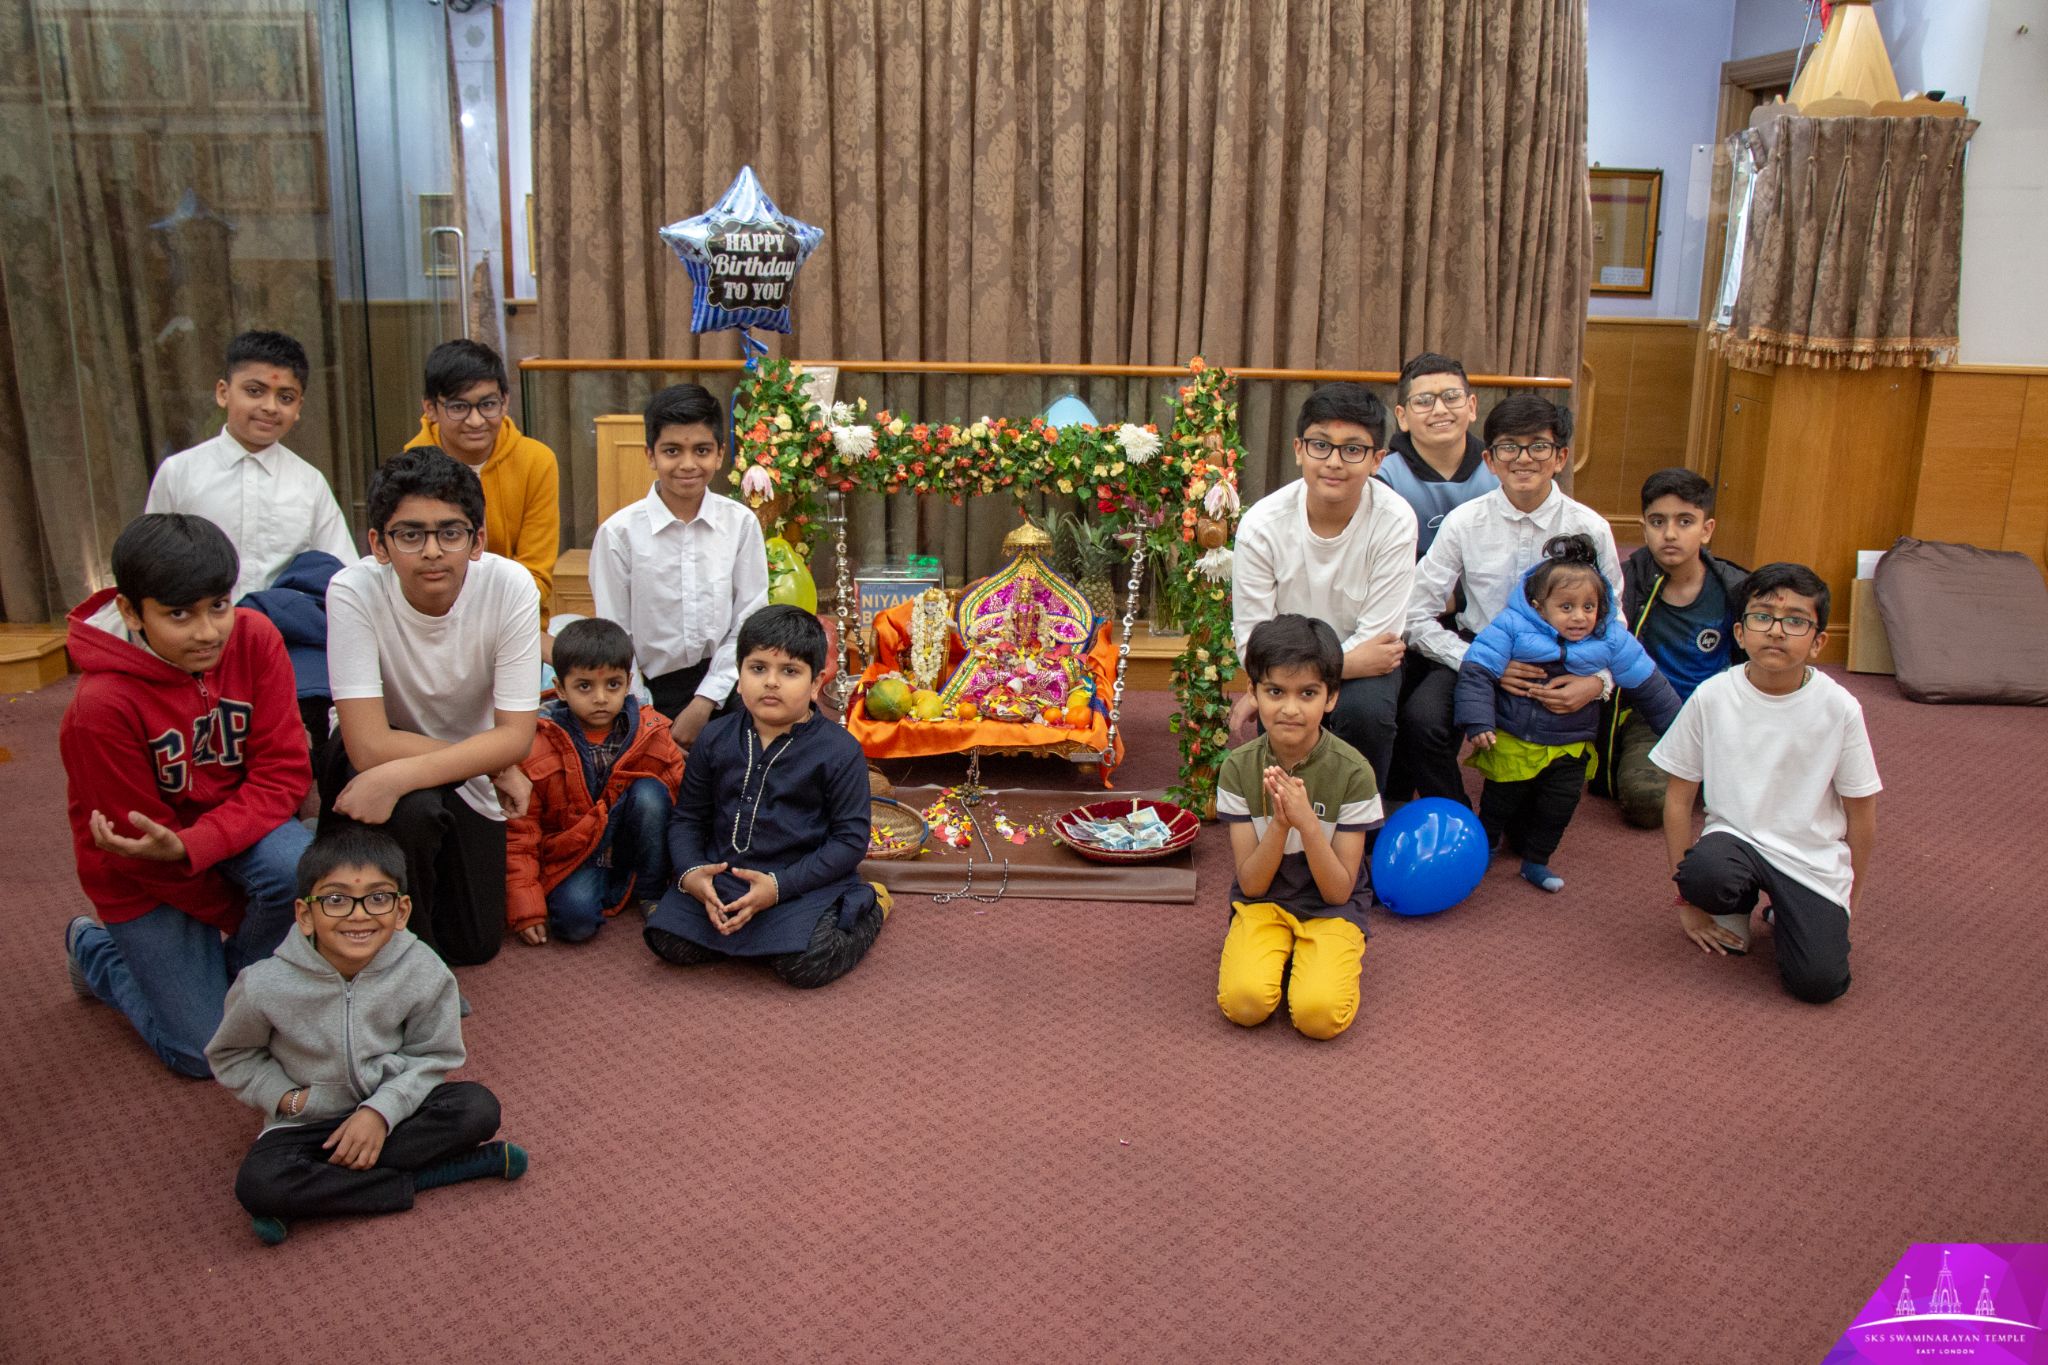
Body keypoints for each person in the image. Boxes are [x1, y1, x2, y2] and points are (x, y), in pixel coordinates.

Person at [60, 514, 313, 1078]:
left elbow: (283, 772)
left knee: (297, 866)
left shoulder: (255, 636)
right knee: (202, 1055)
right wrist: (243, 913)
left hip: (228, 832)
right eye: (179, 614)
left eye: (217, 605)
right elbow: (136, 852)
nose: (207, 632)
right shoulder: (99, 708)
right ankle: (97, 951)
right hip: (142, 873)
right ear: (131, 613)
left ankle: (234, 979)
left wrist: (201, 848)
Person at [206, 827, 527, 1246]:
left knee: (477, 1108)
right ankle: (436, 1174)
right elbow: (233, 1055)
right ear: (305, 914)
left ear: (401, 911)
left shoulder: (424, 970)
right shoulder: (263, 984)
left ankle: (318, 1197)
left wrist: (379, 1112)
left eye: (378, 898)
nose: (359, 915)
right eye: (336, 899)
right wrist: (289, 1099)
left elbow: (434, 1056)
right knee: (260, 1184)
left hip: (397, 1111)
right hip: (312, 1122)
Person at [320, 448, 540, 968]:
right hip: (377, 753)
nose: (433, 551)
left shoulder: (511, 588)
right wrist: (494, 761)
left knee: (476, 944)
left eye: (451, 532)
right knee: (413, 809)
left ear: (477, 539)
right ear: (378, 543)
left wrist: (496, 757)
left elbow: (516, 736)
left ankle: (364, 867)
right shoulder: (351, 590)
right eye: (410, 534)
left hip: (464, 762)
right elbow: (368, 743)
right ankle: (405, 968)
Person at [1652, 564, 1879, 1004]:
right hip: (1734, 842)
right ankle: (1732, 902)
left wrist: (1849, 901)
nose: (1776, 630)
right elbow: (1679, 800)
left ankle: (1783, 912)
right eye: (1762, 617)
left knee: (1818, 984)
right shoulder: (1713, 695)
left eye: (1795, 620)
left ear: (1818, 643)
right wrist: (1689, 905)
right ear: (1739, 632)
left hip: (1809, 860)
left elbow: (1862, 812)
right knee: (1704, 874)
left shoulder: (1840, 708)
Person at [644, 605, 889, 989]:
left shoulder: (840, 751)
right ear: (738, 677)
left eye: (789, 671)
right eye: (758, 668)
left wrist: (778, 888)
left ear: (815, 683)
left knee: (804, 964)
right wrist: (693, 874)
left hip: (800, 883)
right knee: (665, 939)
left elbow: (849, 842)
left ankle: (870, 902)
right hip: (727, 876)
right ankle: (753, 929)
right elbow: (688, 818)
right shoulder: (714, 737)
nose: (771, 682)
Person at [1398, 395, 1621, 808]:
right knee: (1420, 721)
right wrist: (1480, 661)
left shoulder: (1589, 528)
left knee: (1528, 829)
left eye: (1538, 446)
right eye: (1508, 447)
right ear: (1490, 459)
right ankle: (1458, 816)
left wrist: (1597, 683)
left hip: (1564, 660)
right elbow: (1413, 613)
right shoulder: (1464, 522)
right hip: (1480, 648)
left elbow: (1615, 621)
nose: (1524, 458)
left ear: (1560, 457)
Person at [1455, 535, 1681, 893]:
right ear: (1538, 606)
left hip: (1570, 748)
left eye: (1589, 607)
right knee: (1499, 805)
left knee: (1557, 811)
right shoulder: (1512, 627)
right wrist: (1478, 721)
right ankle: (1485, 849)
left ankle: (1536, 862)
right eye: (1566, 607)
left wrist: (1680, 736)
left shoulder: (1610, 639)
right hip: (1515, 740)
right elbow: (1476, 671)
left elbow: (1650, 688)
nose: (1580, 617)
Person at [1230, 383, 1416, 790]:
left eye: (1353, 449)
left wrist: (1281, 682)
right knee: (1285, 710)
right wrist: (1301, 682)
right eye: (1320, 445)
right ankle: (1286, 825)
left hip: (1355, 670)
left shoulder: (1396, 520)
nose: (1334, 462)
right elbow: (1250, 641)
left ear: (1377, 460)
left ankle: (1357, 832)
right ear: (1299, 449)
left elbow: (1380, 641)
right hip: (1298, 663)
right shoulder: (1261, 525)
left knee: (1365, 711)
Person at [1215, 615, 1383, 1041]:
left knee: (1319, 1017)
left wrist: (1307, 823)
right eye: (1275, 692)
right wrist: (1279, 825)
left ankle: (1321, 952)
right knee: (1245, 1004)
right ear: (1252, 693)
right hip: (1265, 900)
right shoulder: (1238, 768)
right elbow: (1251, 885)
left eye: (1308, 693)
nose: (1290, 709)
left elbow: (1338, 891)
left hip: (1330, 907)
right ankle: (1283, 951)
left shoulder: (1354, 773)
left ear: (1331, 698)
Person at [590, 382, 769, 751]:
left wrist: (705, 701)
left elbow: (748, 623)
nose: (688, 464)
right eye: (672, 450)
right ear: (650, 455)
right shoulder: (618, 534)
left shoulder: (740, 524)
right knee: (652, 799)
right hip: (645, 691)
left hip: (726, 682)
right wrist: (646, 715)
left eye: (701, 450)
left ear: (720, 454)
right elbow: (615, 637)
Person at [506, 617, 685, 945]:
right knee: (575, 926)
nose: (601, 698)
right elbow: (521, 831)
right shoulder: (536, 743)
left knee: (650, 793)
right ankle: (607, 886)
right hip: (576, 853)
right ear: (560, 688)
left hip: (638, 845)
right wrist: (525, 906)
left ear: (629, 683)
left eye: (613, 685)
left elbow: (686, 805)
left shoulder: (652, 733)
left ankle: (650, 890)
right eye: (584, 686)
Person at [144, 330, 357, 604]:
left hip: (283, 636)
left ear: (299, 407)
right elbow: (151, 565)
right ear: (223, 393)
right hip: (196, 633)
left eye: (286, 398)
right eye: (254, 391)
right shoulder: (179, 473)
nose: (270, 407)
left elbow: (341, 574)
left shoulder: (309, 483)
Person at [1591, 468, 1747, 828]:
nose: (1670, 534)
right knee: (1646, 804)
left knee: (1776, 796)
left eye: (1685, 521)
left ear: (1707, 529)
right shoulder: (1621, 582)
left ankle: (1704, 771)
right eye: (1658, 521)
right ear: (1643, 526)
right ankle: (1695, 775)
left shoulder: (1736, 587)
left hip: (1718, 715)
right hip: (1649, 717)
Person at [404, 338, 560, 616]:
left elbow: (536, 576)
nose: (476, 421)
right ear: (430, 408)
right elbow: (411, 572)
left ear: (505, 401)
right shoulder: (409, 468)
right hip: (435, 621)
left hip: (516, 617)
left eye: (488, 404)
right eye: (459, 407)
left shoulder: (537, 461)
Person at [1374, 352, 1499, 557]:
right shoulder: (1383, 478)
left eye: (1451, 397)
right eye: (1423, 401)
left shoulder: (1500, 471)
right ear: (1402, 417)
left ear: (1472, 406)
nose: (1440, 410)